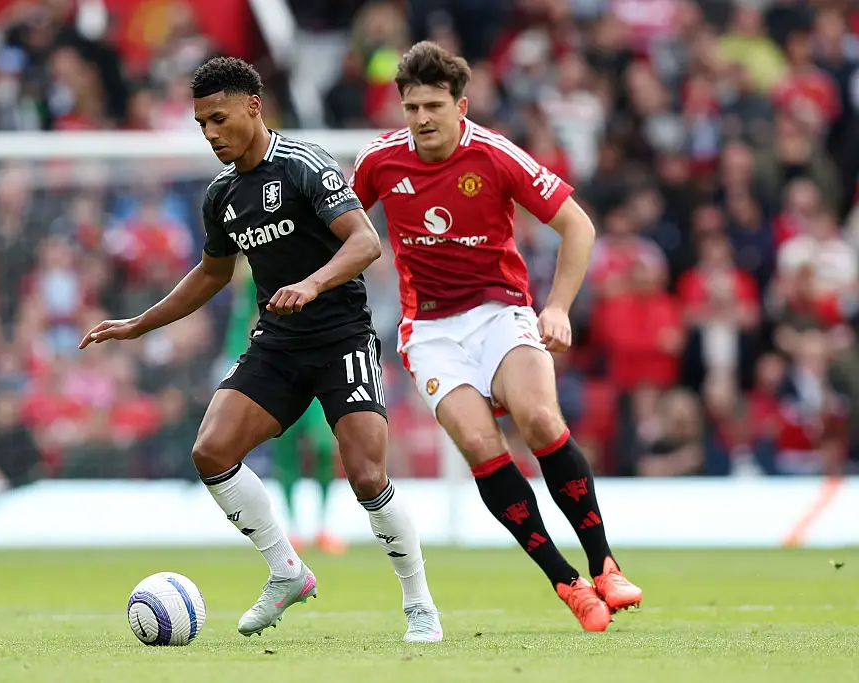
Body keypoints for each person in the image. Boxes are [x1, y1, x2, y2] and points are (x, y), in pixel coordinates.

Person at [79, 57, 442, 642]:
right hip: (278, 344)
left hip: (339, 337)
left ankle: (419, 603)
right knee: (211, 451)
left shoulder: (304, 167)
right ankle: (286, 571)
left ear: (253, 106)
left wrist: (313, 282)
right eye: (202, 124)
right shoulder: (222, 194)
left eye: (219, 118)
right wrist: (140, 323)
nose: (211, 134)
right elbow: (211, 273)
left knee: (367, 475)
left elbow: (365, 242)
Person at [349, 41, 643, 632]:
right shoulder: (378, 162)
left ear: (462, 105)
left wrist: (558, 307)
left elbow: (577, 226)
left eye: (434, 105)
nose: (422, 119)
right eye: (411, 107)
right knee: (484, 447)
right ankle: (568, 584)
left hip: (500, 311)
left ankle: (605, 565)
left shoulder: (494, 154)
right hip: (429, 330)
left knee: (537, 417)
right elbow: (338, 231)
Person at [221, 262, 347, 554]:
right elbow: (244, 317)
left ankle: (323, 525)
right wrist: (237, 360)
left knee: (323, 447)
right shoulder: (254, 270)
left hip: (318, 363)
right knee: (286, 449)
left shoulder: (319, 255)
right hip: (277, 366)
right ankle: (293, 528)